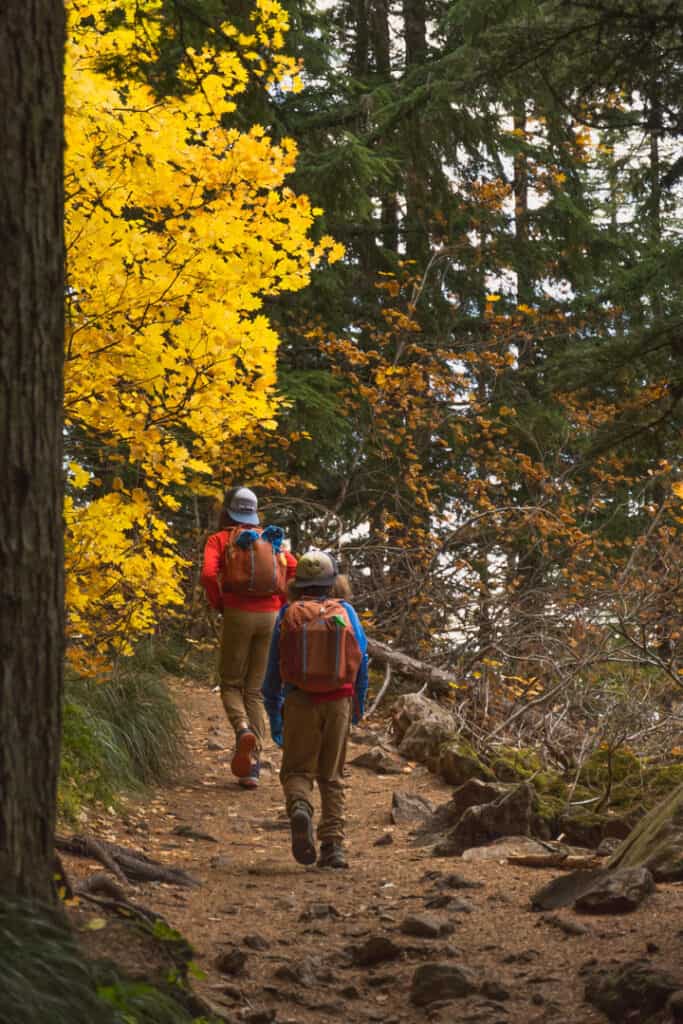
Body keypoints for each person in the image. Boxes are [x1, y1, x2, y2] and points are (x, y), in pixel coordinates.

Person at [262, 550, 368, 868]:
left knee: (297, 771)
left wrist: (274, 714)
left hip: (299, 701)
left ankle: (300, 808)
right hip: (338, 701)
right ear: (334, 581)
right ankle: (333, 847)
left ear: (299, 584)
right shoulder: (346, 611)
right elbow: (361, 662)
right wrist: (357, 708)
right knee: (332, 776)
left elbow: (271, 672)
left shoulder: (287, 613)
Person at [201, 486, 297, 789]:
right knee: (255, 690)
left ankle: (242, 730)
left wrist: (219, 601)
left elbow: (206, 574)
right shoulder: (271, 538)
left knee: (231, 683)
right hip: (270, 615)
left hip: (237, 613)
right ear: (254, 512)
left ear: (228, 510)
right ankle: (252, 768)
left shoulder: (220, 539)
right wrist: (281, 604)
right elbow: (293, 567)